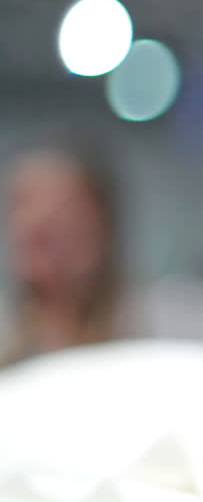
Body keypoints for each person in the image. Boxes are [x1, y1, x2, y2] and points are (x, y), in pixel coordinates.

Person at [2, 146, 122, 365]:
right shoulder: (6, 333)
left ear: (101, 226)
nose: (35, 219)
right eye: (24, 202)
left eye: (62, 206)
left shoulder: (159, 324)